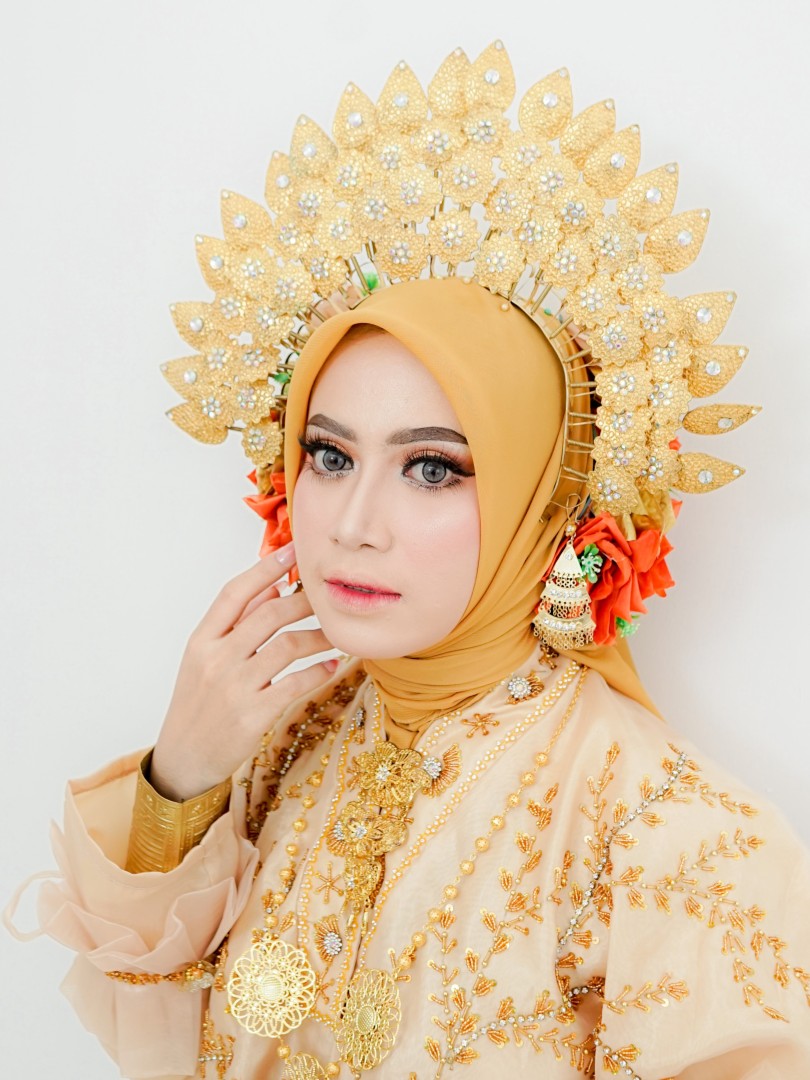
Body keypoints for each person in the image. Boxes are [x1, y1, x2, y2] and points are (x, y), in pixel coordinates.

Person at [5, 42, 810, 1080]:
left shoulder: (670, 835)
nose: (353, 523)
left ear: (543, 503)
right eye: (330, 456)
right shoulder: (287, 751)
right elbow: (155, 1041)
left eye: (433, 469)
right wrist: (181, 781)